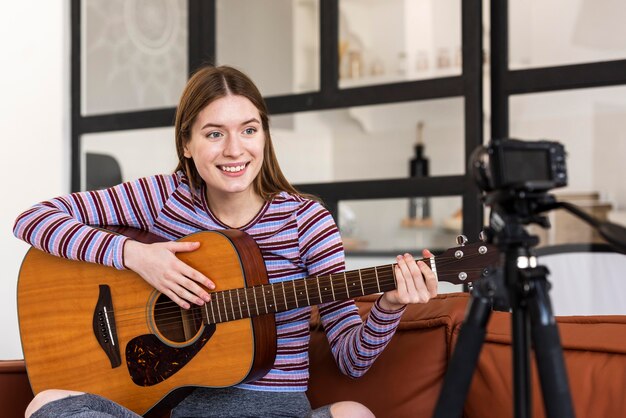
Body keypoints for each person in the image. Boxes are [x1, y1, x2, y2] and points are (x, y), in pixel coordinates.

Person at [14, 65, 438, 418]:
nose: (235, 150)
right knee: (47, 403)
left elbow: (350, 359)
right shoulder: (165, 196)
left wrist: (389, 307)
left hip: (277, 412)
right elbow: (33, 219)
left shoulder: (306, 220)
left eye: (248, 130)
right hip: (178, 411)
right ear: (187, 144)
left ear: (264, 136)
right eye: (214, 134)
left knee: (354, 414)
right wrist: (137, 256)